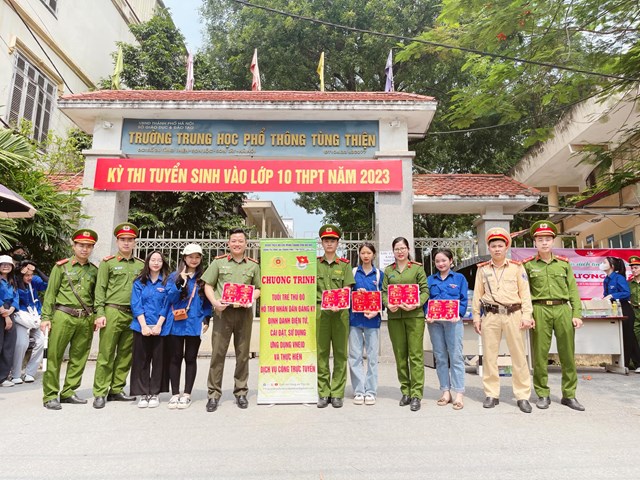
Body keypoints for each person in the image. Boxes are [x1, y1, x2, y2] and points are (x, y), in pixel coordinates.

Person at [523, 221, 584, 411]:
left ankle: (569, 395)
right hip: (539, 310)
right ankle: (542, 394)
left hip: (562, 309)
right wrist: (528, 314)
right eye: (540, 239)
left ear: (553, 241)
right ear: (535, 242)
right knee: (540, 355)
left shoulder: (563, 265)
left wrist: (576, 313)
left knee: (567, 354)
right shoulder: (528, 266)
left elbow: (573, 290)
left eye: (547, 239)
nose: (544, 243)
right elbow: (524, 293)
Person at [472, 227, 534, 413]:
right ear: (489, 248)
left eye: (500, 245)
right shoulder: (482, 270)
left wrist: (526, 316)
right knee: (490, 357)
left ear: (506, 247)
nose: (497, 249)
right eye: (493, 246)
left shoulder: (517, 267)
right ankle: (492, 394)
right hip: (491, 316)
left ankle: (522, 396)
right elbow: (477, 294)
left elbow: (525, 294)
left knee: (518, 356)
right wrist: (476, 316)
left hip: (514, 315)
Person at [40, 230, 99, 409]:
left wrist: (95, 317)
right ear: (73, 246)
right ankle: (50, 395)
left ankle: (68, 392)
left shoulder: (94, 271)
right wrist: (46, 317)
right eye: (81, 245)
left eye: (88, 246)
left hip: (85, 318)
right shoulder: (61, 267)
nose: (85, 249)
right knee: (54, 355)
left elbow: (97, 296)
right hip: (63, 316)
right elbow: (50, 294)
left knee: (79, 356)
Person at [203, 229, 260, 412]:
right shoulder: (219, 262)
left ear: (246, 244)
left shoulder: (253, 265)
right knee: (218, 354)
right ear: (229, 243)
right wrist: (214, 302)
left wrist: (251, 298)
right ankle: (213, 395)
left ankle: (241, 392)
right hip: (223, 313)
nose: (237, 244)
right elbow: (208, 285)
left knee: (243, 354)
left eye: (240, 241)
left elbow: (259, 288)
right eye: (234, 241)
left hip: (244, 314)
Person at [92, 222, 144, 409]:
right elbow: (100, 289)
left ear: (135, 242)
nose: (127, 243)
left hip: (133, 314)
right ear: (117, 241)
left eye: (130, 240)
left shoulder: (141, 265)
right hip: (112, 311)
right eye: (123, 240)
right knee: (106, 353)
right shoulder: (108, 263)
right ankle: (100, 391)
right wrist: (99, 312)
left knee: (125, 354)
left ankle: (116, 389)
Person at [382, 237, 429, 412]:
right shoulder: (389, 271)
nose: (400, 252)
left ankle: (416, 394)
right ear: (393, 251)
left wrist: (416, 303)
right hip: (395, 318)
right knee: (400, 355)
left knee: (415, 355)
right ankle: (406, 391)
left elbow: (425, 290)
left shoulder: (417, 268)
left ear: (408, 249)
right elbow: (384, 292)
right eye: (396, 249)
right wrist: (388, 304)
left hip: (414, 316)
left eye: (403, 248)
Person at [164, 243, 211, 409]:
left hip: (194, 322)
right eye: (191, 257)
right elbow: (170, 298)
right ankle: (175, 394)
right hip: (176, 323)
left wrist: (206, 319)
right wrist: (180, 283)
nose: (194, 260)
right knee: (175, 358)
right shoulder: (174, 276)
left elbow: (207, 302)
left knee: (190, 358)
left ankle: (187, 394)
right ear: (184, 258)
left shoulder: (204, 278)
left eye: (197, 257)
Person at [314, 224, 355, 409]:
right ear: (321, 243)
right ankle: (323, 392)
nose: (329, 243)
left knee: (340, 353)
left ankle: (337, 392)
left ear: (338, 243)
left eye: (332, 240)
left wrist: (340, 302)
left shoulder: (345, 265)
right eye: (326, 240)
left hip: (340, 314)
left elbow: (347, 287)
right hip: (321, 314)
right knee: (322, 353)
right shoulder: (314, 263)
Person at [424, 248, 468, 410]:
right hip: (435, 323)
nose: (441, 264)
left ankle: (459, 394)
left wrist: (459, 313)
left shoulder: (459, 278)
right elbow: (425, 300)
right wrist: (427, 314)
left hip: (453, 322)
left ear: (451, 261)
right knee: (440, 357)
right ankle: (445, 391)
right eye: (437, 261)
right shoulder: (430, 280)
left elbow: (463, 299)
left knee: (455, 356)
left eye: (444, 260)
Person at [130, 251, 171, 408]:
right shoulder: (139, 282)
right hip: (141, 327)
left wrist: (159, 324)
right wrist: (144, 326)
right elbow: (136, 304)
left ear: (163, 263)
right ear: (147, 262)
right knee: (142, 360)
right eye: (153, 260)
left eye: (159, 260)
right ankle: (143, 393)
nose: (156, 263)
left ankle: (154, 392)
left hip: (160, 327)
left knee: (159, 361)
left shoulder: (166, 282)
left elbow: (167, 305)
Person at [348, 242, 383, 406]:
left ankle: (370, 391)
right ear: (359, 255)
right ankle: (358, 391)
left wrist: (378, 310)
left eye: (369, 253)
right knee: (355, 356)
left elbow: (384, 296)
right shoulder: (353, 273)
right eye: (363, 253)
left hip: (372, 321)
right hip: (355, 319)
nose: (366, 256)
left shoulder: (379, 275)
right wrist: (356, 293)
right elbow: (346, 294)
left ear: (374, 255)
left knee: (372, 357)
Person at [601, 255, 640, 373]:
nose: (602, 264)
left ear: (612, 266)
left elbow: (626, 293)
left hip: (625, 309)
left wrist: (613, 295)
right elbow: (606, 295)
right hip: (614, 309)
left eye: (604, 262)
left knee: (629, 337)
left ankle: (630, 363)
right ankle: (626, 363)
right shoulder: (606, 279)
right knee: (624, 337)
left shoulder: (619, 278)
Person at [11, 260, 47, 384]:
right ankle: (16, 374)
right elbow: (20, 290)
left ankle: (30, 373)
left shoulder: (34, 280)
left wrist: (36, 269)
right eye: (27, 275)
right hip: (22, 318)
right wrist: (20, 273)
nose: (29, 277)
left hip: (35, 317)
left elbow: (48, 282)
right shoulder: (15, 281)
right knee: (22, 343)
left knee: (42, 341)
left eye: (31, 275)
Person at [0, 255, 18, 387]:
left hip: (10, 311)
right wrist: (5, 314)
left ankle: (3, 377)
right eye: (2, 264)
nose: (5, 266)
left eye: (8, 264)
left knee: (9, 345)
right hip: (1, 310)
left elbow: (16, 296)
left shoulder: (12, 280)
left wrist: (11, 310)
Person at [628, 255, 640, 348]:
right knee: (635, 336)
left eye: (636, 267)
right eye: (632, 268)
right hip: (635, 312)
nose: (633, 270)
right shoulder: (629, 283)